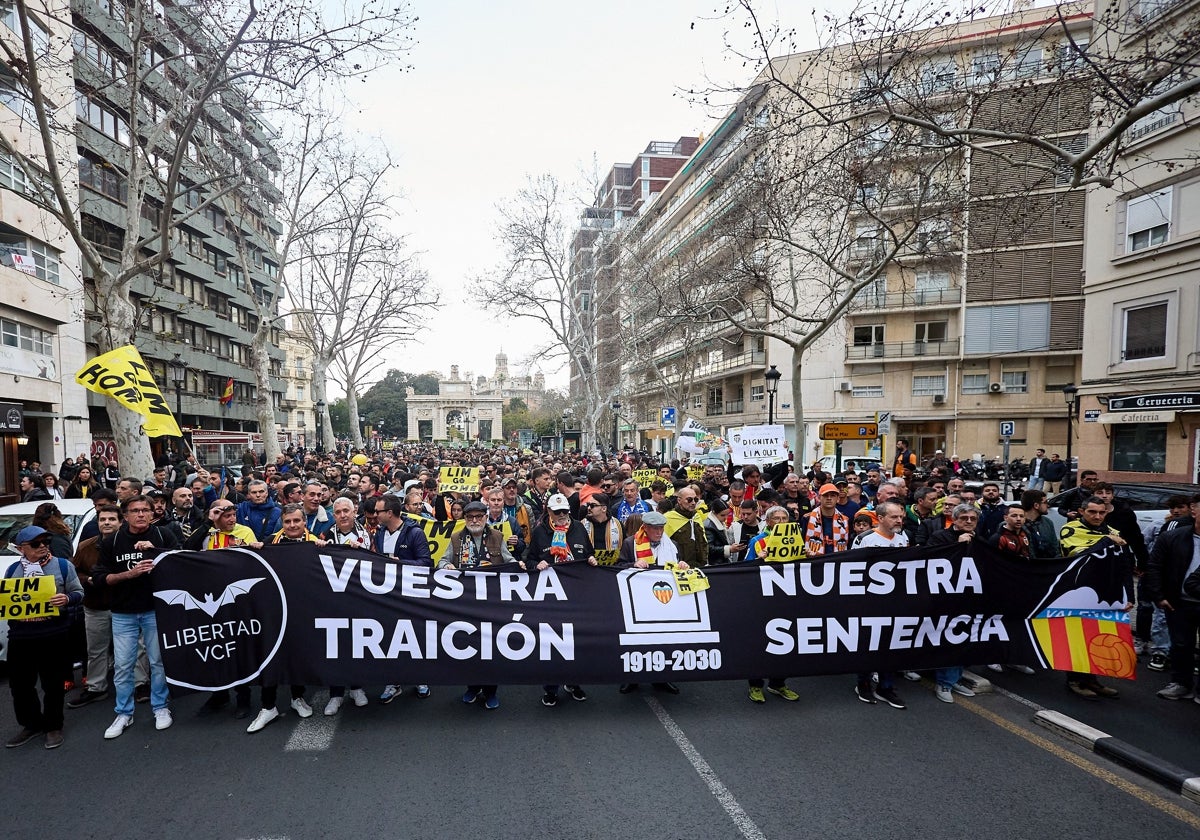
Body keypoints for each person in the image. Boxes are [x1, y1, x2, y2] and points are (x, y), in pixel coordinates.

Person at [91, 495, 180, 739]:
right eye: (134, 511)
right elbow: (100, 577)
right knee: (122, 665)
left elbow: (181, 561)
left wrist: (156, 552)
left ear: (153, 514)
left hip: (156, 610)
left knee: (158, 662)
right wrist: (127, 575)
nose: (140, 515)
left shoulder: (162, 536)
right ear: (125, 516)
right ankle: (123, 713)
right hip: (123, 613)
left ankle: (160, 707)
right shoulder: (113, 541)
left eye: (145, 510)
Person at [3, 526, 84, 750]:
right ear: (21, 549)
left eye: (45, 542)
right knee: (20, 685)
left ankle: (53, 726)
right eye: (36, 544)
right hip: (21, 636)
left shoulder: (63, 566)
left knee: (53, 683)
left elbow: (79, 592)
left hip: (53, 634)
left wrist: (66, 599)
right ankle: (31, 724)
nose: (43, 547)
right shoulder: (12, 571)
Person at [247, 505, 318, 732]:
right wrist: (256, 549)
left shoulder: (315, 542)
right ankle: (268, 706)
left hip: (303, 610)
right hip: (273, 610)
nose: (292, 526)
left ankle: (298, 698)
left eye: (297, 521)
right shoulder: (269, 542)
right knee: (270, 655)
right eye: (287, 522)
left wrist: (330, 549)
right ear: (282, 523)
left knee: (297, 655)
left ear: (304, 522)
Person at [1059, 497, 1131, 700]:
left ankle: (1092, 679)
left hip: (1106, 593)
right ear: (1082, 511)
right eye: (1092, 512)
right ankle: (1074, 680)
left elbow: (1124, 565)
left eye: (1101, 512)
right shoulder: (1070, 529)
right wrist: (1106, 541)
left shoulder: (1113, 532)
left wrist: (1129, 595)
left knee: (1100, 637)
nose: (1097, 516)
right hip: (1078, 591)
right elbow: (1080, 556)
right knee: (1077, 638)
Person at [371, 494, 433, 704]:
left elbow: (426, 563)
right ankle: (394, 681)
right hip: (387, 595)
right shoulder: (379, 533)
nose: (375, 515)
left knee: (413, 637)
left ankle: (420, 678)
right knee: (390, 638)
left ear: (389, 513)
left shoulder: (414, 533)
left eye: (378, 511)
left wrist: (401, 563)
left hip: (411, 595)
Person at [615, 510, 683, 696]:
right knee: (636, 641)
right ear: (645, 528)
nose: (659, 532)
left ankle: (662, 678)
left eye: (661, 528)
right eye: (654, 529)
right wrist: (633, 565)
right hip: (638, 601)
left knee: (663, 639)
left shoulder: (673, 545)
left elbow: (678, 569)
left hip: (664, 602)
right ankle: (632, 678)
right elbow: (619, 567)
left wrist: (683, 565)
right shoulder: (631, 544)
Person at [849, 500, 908, 709]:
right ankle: (863, 684)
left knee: (891, 645)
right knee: (867, 644)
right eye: (894, 517)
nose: (899, 520)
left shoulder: (903, 539)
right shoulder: (864, 539)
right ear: (881, 518)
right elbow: (851, 569)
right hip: (868, 603)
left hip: (894, 603)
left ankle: (886, 687)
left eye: (900, 516)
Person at [1144, 503, 1200, 702]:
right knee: (1181, 644)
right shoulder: (1173, 537)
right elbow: (1155, 566)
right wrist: (1159, 596)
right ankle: (1181, 683)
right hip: (1179, 601)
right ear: (1195, 512)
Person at [664, 486, 707, 566]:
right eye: (689, 500)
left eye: (696, 499)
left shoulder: (697, 517)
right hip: (679, 567)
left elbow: (704, 541)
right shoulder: (668, 518)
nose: (693, 503)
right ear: (679, 500)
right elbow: (663, 545)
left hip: (700, 566)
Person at [1021, 489, 1061, 560]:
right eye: (1045, 502)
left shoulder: (1048, 522)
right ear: (1036, 505)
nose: (1048, 505)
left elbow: (1055, 548)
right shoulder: (1018, 524)